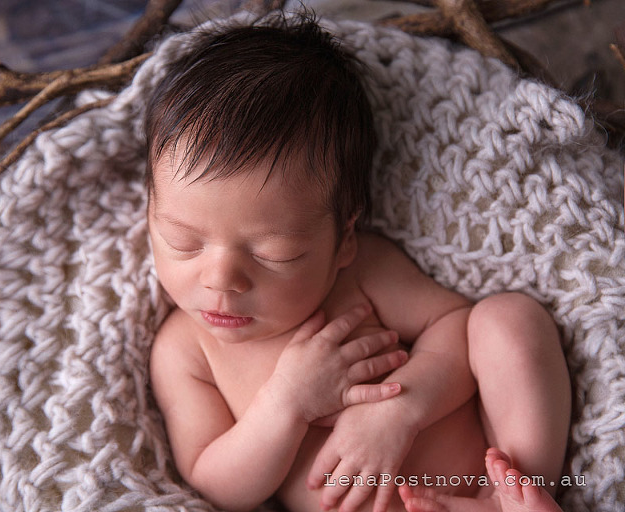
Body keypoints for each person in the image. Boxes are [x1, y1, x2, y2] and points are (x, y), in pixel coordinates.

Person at [145, 11, 571, 512]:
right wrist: (287, 404)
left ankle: (523, 492)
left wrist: (402, 408)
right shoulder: (185, 351)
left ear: (343, 238)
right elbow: (213, 483)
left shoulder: (361, 272)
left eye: (273, 253)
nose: (221, 280)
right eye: (183, 242)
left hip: (482, 475)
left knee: (507, 320)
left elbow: (455, 326)